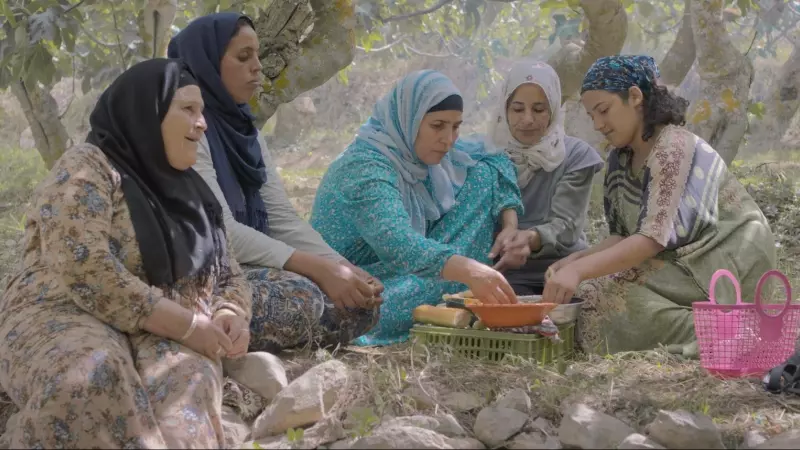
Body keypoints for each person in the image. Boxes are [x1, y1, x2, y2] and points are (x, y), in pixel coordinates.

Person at [0, 58, 252, 448]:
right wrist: (186, 326)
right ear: (146, 114)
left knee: (183, 417)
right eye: (188, 109)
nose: (202, 124)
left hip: (166, 330)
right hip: (63, 310)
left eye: (202, 112)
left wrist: (230, 313)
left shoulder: (195, 193)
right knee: (93, 378)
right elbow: (84, 267)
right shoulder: (89, 167)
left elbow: (228, 274)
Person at [168, 13, 382, 354]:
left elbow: (279, 216)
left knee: (360, 302)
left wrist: (343, 267)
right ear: (205, 63)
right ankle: (204, 333)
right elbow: (221, 232)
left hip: (240, 267)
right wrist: (318, 268)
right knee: (303, 297)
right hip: (195, 271)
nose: (257, 67)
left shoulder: (245, 131)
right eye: (243, 57)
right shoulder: (188, 128)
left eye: (257, 55)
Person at [543, 55, 777, 357]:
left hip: (722, 262)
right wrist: (574, 262)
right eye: (592, 116)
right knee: (587, 294)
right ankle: (719, 331)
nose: (598, 124)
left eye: (604, 111)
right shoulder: (619, 159)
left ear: (635, 96)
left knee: (595, 296)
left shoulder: (674, 146)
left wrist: (578, 271)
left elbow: (652, 238)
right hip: (677, 261)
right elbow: (624, 237)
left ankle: (730, 333)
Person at [309, 70, 528, 346]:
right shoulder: (365, 167)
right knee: (371, 310)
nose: (448, 139)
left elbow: (493, 157)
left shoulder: (418, 156)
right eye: (437, 126)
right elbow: (398, 244)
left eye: (455, 127)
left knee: (481, 176)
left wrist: (510, 224)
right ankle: (452, 296)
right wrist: (470, 271)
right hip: (358, 284)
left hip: (407, 270)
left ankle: (452, 295)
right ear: (408, 119)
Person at [486, 60, 604, 295]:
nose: (528, 119)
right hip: (502, 274)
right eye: (518, 109)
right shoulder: (487, 157)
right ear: (504, 110)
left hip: (565, 272)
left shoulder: (575, 156)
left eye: (539, 109)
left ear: (553, 110)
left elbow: (567, 226)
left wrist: (529, 239)